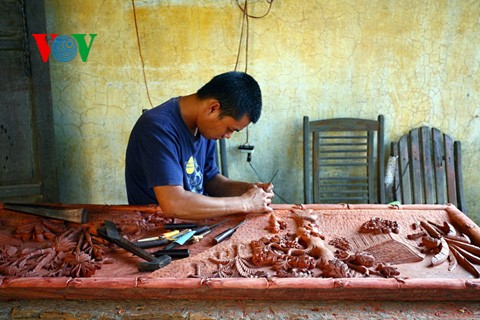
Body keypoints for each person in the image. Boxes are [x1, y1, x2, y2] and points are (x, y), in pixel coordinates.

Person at [125, 71, 274, 220]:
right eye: (229, 129)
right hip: (155, 225)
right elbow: (173, 203)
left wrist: (249, 190)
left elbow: (211, 180)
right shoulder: (158, 128)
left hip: (194, 222)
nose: (228, 136)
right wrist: (244, 203)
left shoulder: (204, 128)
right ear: (213, 108)